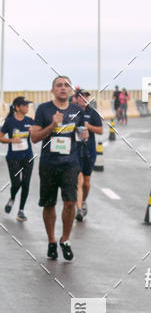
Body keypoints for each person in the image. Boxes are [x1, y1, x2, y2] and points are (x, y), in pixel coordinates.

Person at [30, 75, 88, 261]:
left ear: (70, 90)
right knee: (49, 204)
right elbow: (34, 137)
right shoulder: (44, 109)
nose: (63, 88)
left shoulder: (77, 110)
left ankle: (65, 239)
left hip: (70, 164)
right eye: (59, 85)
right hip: (48, 163)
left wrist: (84, 134)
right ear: (53, 90)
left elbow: (79, 133)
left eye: (66, 85)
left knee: (70, 202)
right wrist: (53, 125)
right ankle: (52, 241)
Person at [0, 96, 35, 221]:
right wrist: (11, 140)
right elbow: (1, 137)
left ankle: (21, 210)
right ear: (17, 107)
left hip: (28, 156)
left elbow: (38, 133)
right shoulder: (9, 122)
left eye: (27, 105)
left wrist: (35, 131)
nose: (27, 107)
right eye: (25, 105)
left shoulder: (30, 120)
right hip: (13, 157)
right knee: (16, 183)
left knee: (26, 183)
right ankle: (12, 198)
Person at [72, 88, 103, 222]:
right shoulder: (72, 112)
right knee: (79, 181)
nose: (83, 99)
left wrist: (88, 127)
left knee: (87, 183)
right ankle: (79, 209)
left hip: (89, 151)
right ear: (77, 98)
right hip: (76, 151)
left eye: (86, 96)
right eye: (81, 96)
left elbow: (101, 130)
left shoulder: (93, 113)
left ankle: (83, 201)